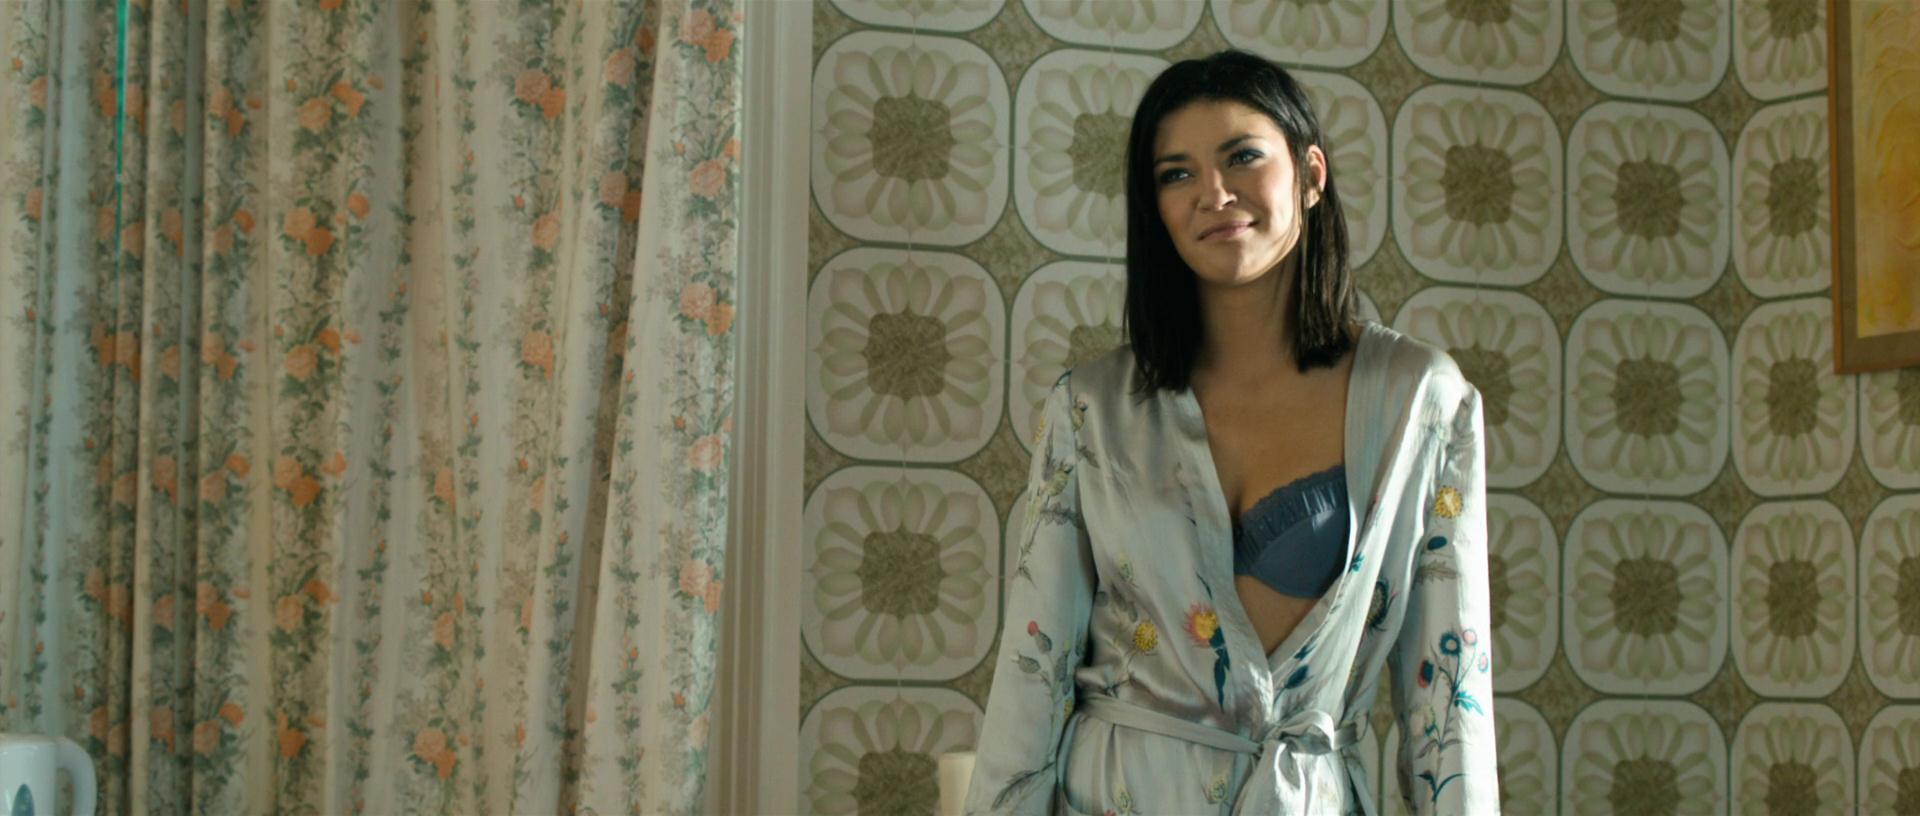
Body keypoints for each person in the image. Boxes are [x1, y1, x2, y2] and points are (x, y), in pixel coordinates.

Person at [964, 50, 1498, 815]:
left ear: (1311, 174)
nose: (1213, 193)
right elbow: (1031, 677)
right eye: (1177, 173)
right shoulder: (1091, 409)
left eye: (1242, 156)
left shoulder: (1418, 399)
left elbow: (1450, 700)